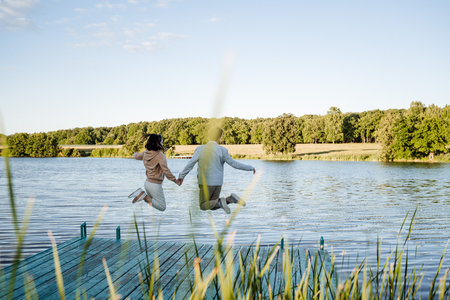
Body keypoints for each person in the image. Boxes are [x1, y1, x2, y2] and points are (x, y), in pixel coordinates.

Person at [177, 127, 255, 214]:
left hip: (205, 183)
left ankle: (223, 201)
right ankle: (230, 199)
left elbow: (190, 164)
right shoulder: (223, 150)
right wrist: (250, 167)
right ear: (219, 137)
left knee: (203, 205)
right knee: (213, 206)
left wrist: (181, 176)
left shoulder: (200, 149)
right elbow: (235, 164)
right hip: (218, 183)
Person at [129, 134, 180, 211]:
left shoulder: (145, 153)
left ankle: (142, 195)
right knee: (162, 207)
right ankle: (143, 196)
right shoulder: (160, 156)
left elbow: (136, 156)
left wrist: (134, 154)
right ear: (158, 143)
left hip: (147, 184)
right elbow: (166, 170)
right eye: (161, 142)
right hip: (155, 185)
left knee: (152, 201)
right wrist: (175, 180)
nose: (162, 144)